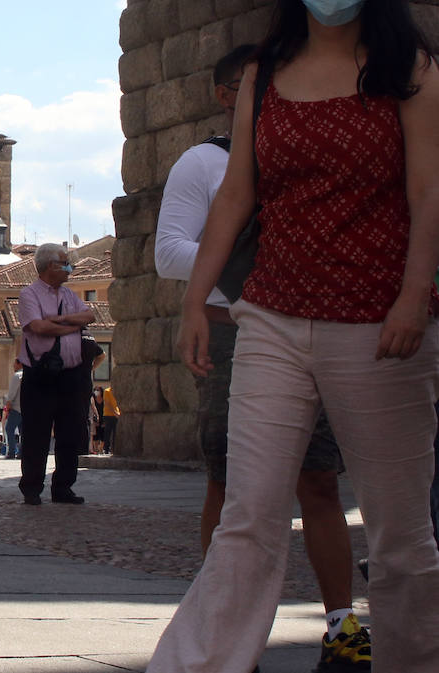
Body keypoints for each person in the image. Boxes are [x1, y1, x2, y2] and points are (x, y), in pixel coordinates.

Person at [147, 0, 439, 673]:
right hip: (272, 315)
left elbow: (428, 189)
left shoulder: (408, 68)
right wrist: (195, 300)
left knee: (401, 532)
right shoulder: (263, 76)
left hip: (379, 322)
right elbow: (237, 193)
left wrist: (415, 295)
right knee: (247, 518)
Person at [154, 42, 366, 667]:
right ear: (226, 96)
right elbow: (169, 253)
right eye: (253, 84)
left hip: (309, 324)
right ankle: (224, 627)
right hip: (233, 330)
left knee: (320, 479)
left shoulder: (307, 152)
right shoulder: (203, 162)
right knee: (230, 482)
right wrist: (263, 261)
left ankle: (343, 626)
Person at [15, 243, 95, 505]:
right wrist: (71, 325)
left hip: (72, 375)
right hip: (41, 374)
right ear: (51, 266)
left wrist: (58, 321)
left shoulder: (70, 295)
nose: (70, 268)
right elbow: (38, 327)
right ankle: (32, 487)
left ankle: (63, 487)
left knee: (70, 432)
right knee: (36, 433)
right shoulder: (29, 295)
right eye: (66, 263)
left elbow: (90, 316)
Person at [2, 359, 23, 459]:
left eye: (14, 364)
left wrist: (8, 404)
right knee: (23, 432)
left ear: (19, 364)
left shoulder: (17, 376)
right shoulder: (29, 375)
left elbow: (12, 393)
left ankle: (11, 452)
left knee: (9, 429)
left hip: (16, 408)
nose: (13, 366)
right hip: (26, 408)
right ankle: (22, 452)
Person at [98, 381, 119, 455]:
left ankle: (114, 450)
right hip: (108, 415)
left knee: (116, 433)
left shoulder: (118, 391)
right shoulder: (107, 391)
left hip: (116, 414)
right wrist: (115, 412)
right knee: (108, 432)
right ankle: (106, 449)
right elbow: (107, 404)